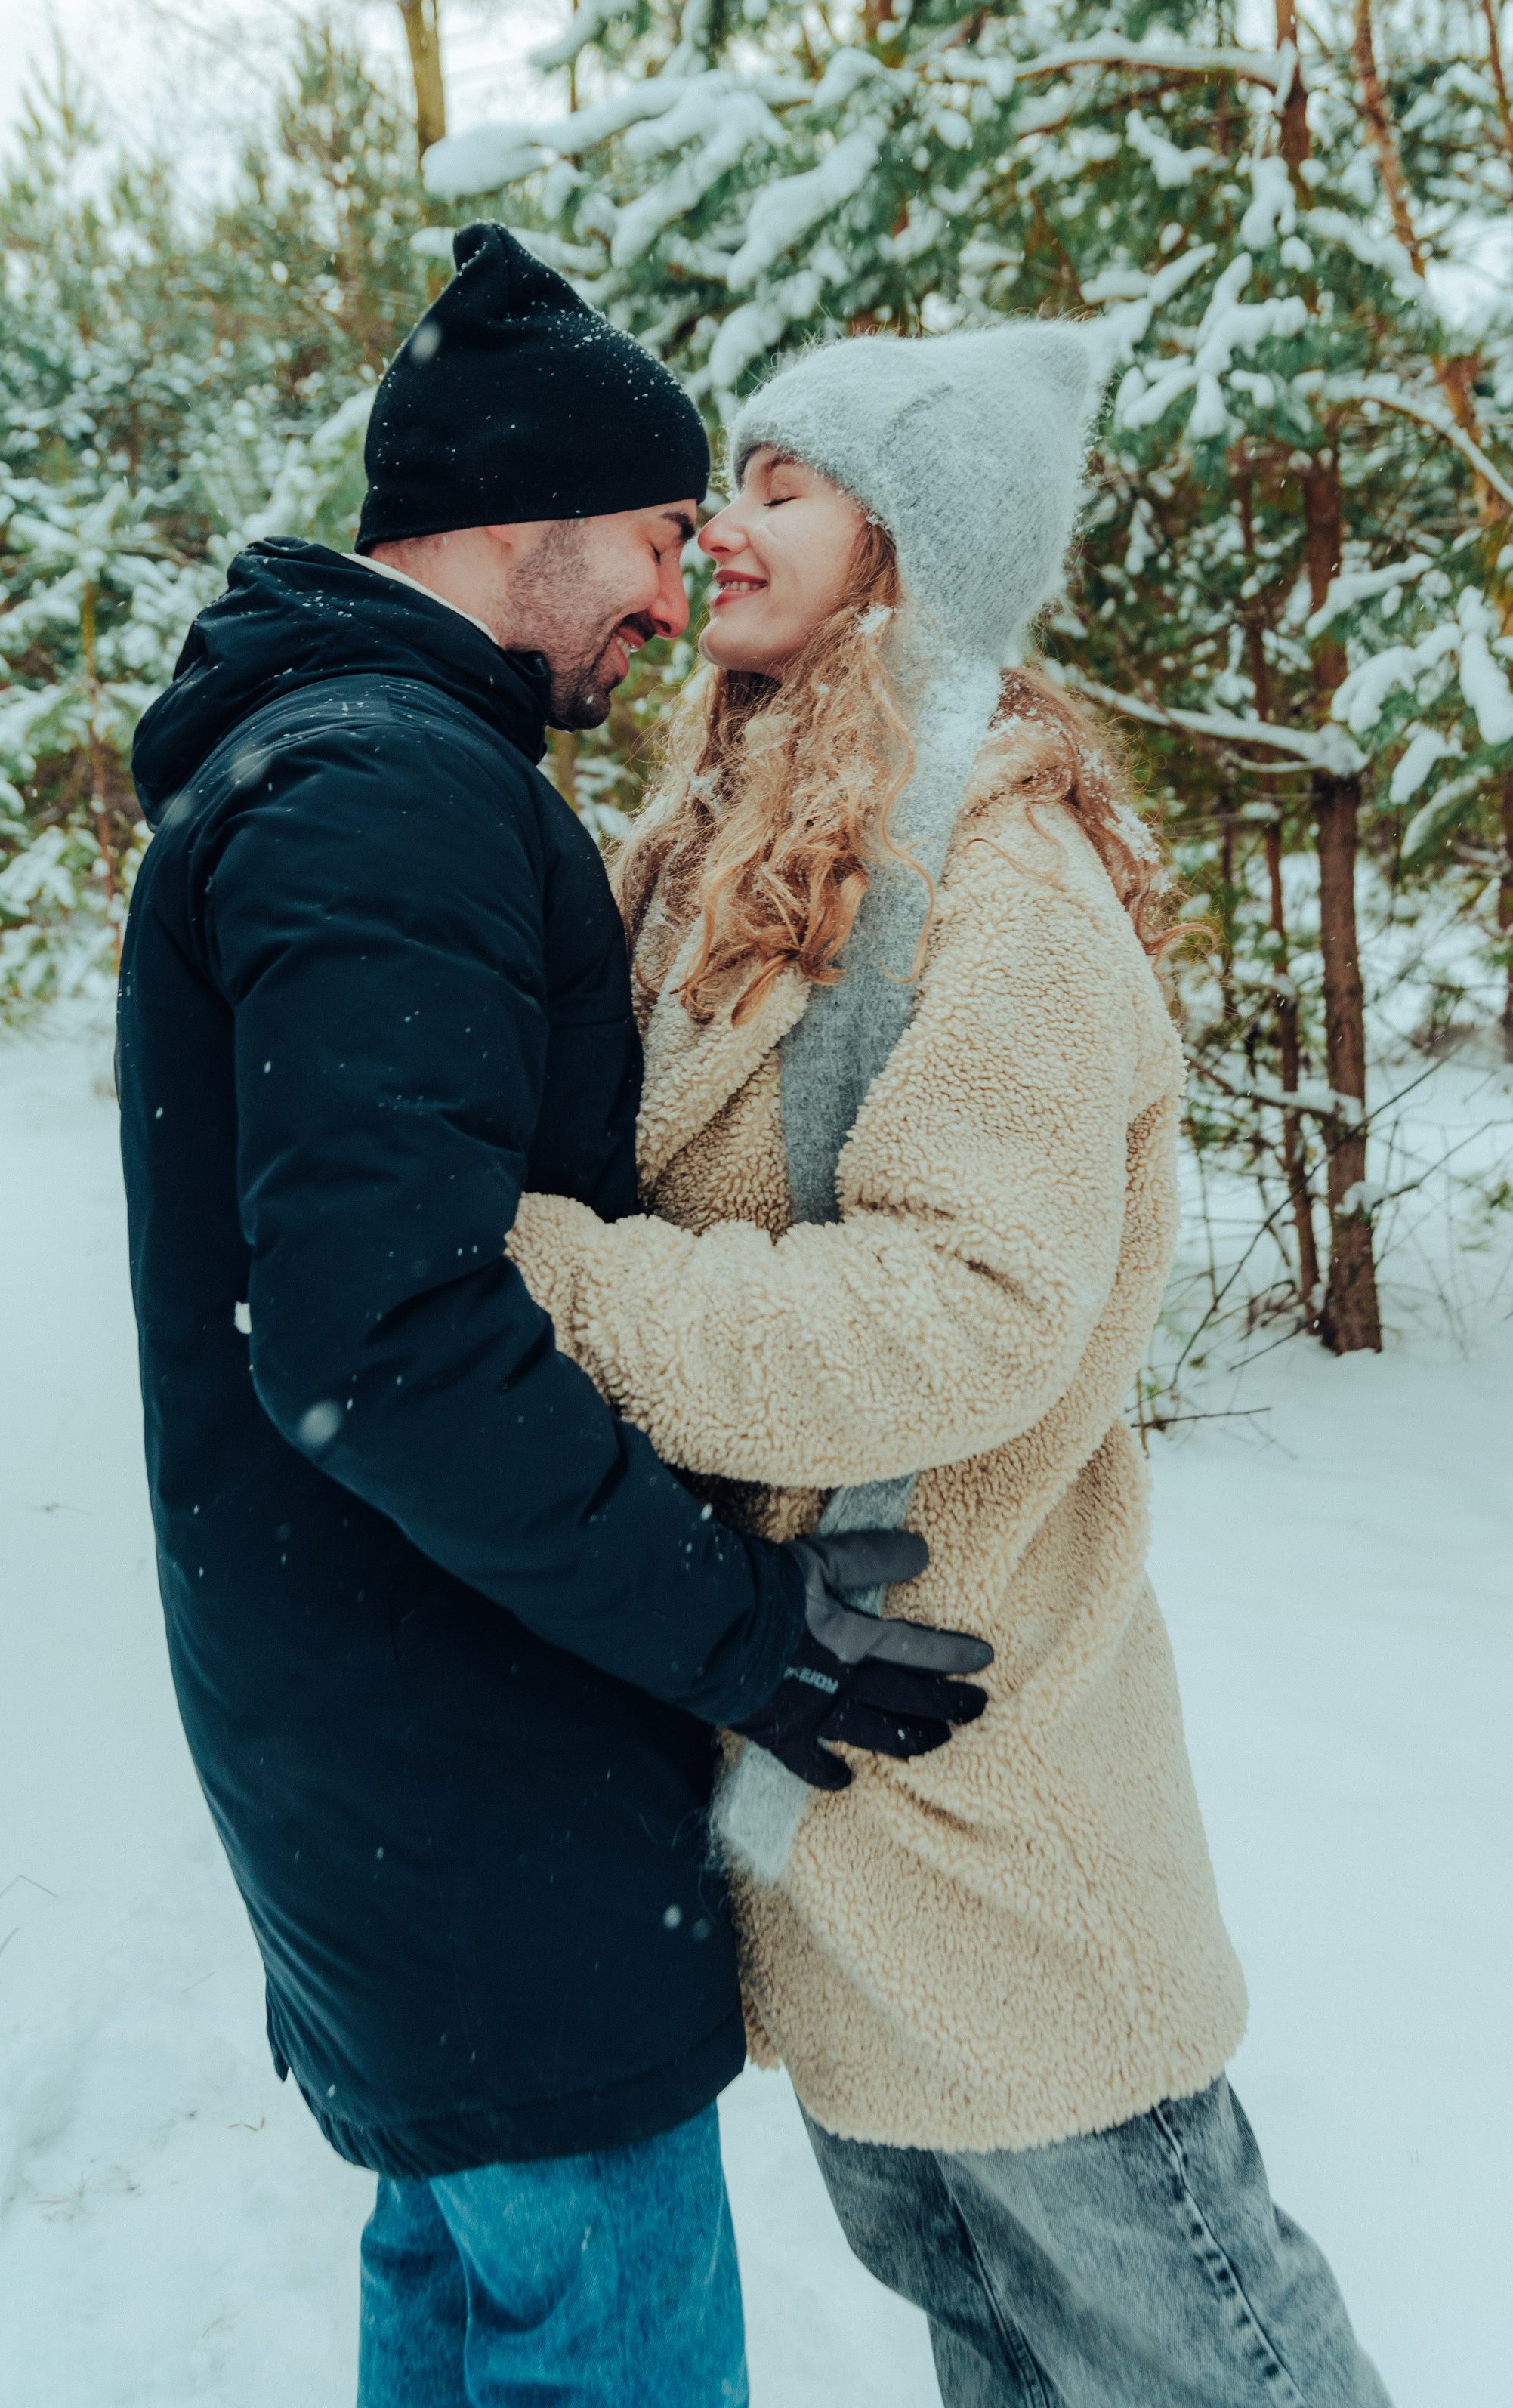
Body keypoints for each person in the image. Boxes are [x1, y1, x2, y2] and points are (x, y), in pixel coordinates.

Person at [116, 226, 990, 2408]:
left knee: (458, 2272)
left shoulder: (334, 759)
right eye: (658, 533)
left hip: (375, 1731)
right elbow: (377, 1340)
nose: (676, 593)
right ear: (527, 521)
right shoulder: (386, 792)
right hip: (458, 1754)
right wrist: (744, 1630)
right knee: (602, 2332)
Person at [508, 322, 1393, 2408]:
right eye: (734, 476)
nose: (722, 522)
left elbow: (970, 1307)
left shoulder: (993, 867)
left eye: (786, 485)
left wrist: (571, 1285)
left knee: (1192, 2353)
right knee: (991, 2346)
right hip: (823, 1782)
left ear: (914, 548)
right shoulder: (733, 844)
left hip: (986, 1780)